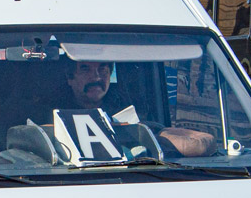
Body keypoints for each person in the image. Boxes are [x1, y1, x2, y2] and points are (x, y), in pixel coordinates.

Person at [52, 60, 216, 158]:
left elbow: (196, 143)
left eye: (103, 68)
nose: (96, 77)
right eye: (85, 68)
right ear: (69, 77)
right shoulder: (47, 117)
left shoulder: (132, 113)